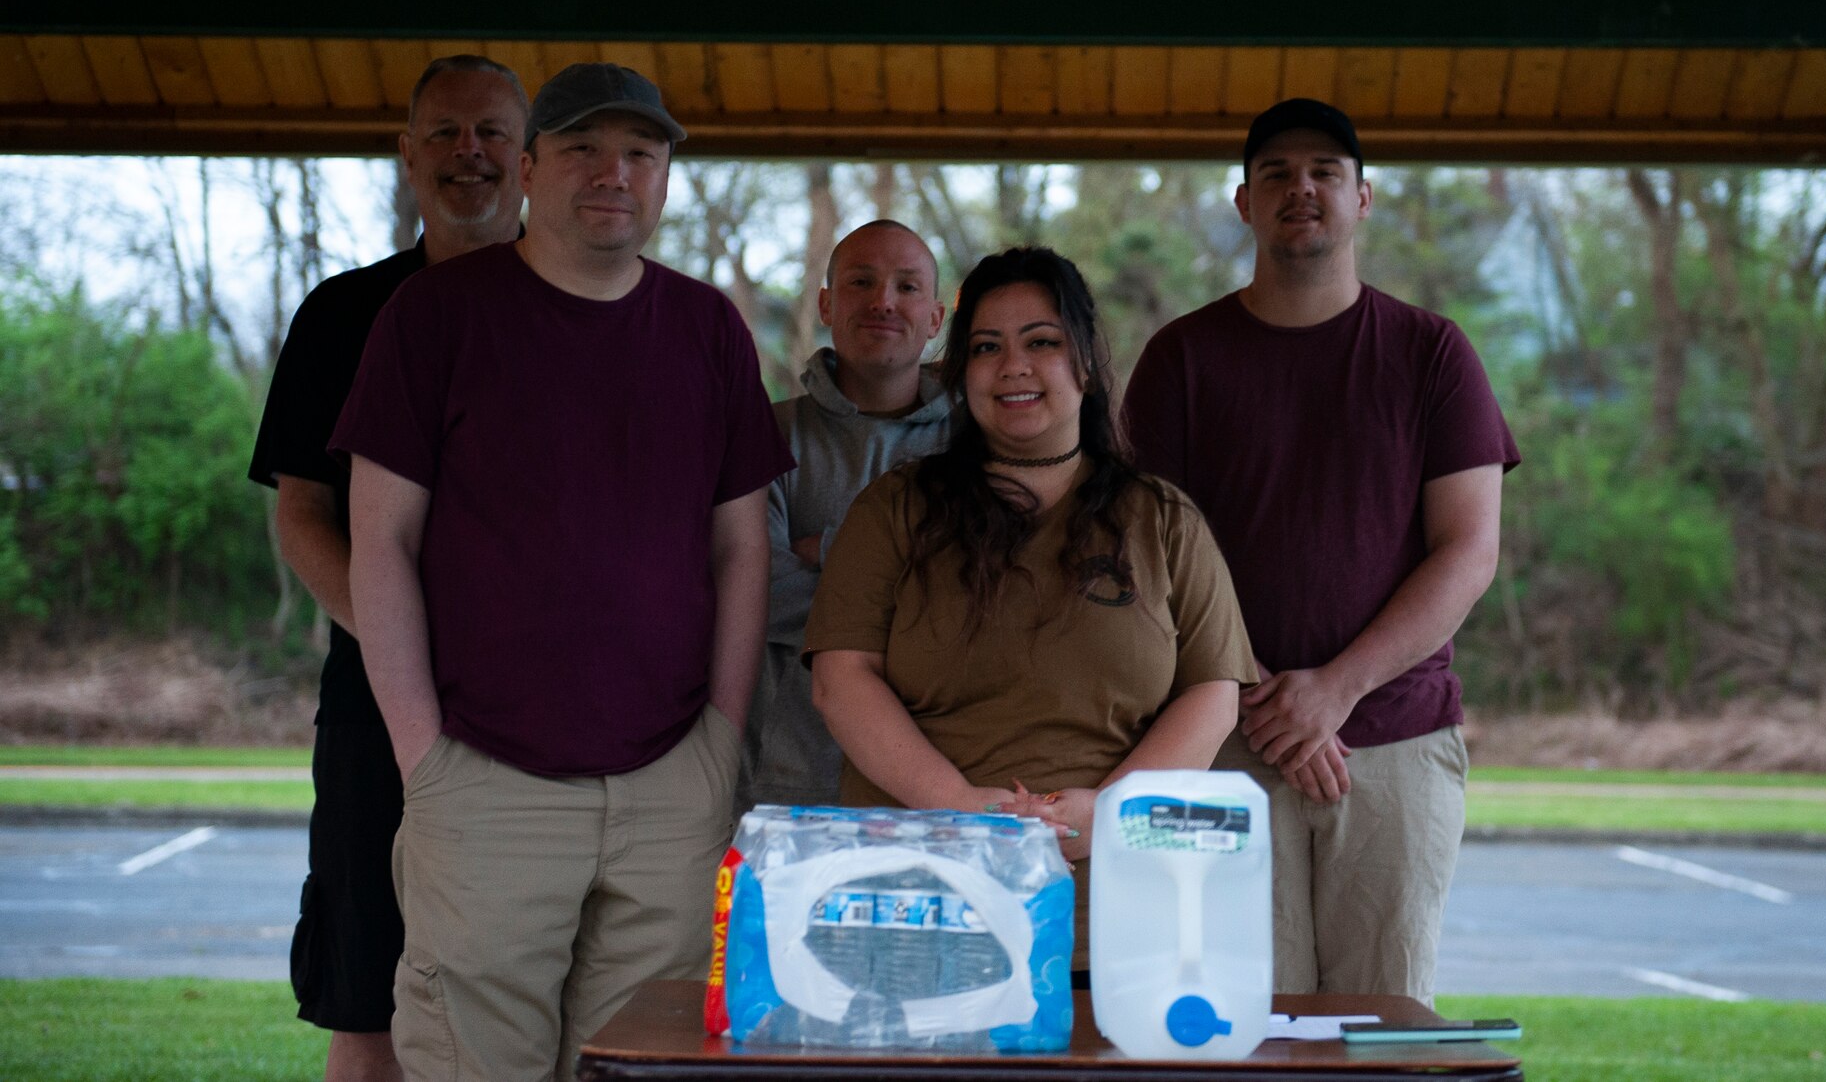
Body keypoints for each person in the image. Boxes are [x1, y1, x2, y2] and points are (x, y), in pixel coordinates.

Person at [333, 62, 793, 1082]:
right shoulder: (433, 317)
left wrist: (719, 739)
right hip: (485, 776)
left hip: (670, 781)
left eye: (639, 151)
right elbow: (380, 544)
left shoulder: (708, 328)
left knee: (644, 1061)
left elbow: (741, 546)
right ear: (530, 167)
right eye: (583, 147)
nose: (612, 172)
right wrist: (425, 757)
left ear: (666, 176)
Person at [1122, 98, 1519, 1003]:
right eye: (1277, 174)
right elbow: (1153, 560)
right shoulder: (1181, 359)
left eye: (1325, 173)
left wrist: (1335, 688)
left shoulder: (1432, 354)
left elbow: (1468, 551)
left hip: (1395, 748)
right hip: (1218, 746)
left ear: (1363, 198)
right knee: (1236, 1025)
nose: (1301, 188)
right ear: (1243, 202)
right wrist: (1268, 705)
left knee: (1385, 1027)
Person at [805, 247, 1258, 967]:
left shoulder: (1163, 517)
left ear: (1084, 363)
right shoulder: (895, 508)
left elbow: (1213, 691)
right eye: (986, 347)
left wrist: (1111, 816)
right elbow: (840, 678)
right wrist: (955, 806)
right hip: (920, 907)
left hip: (1117, 914)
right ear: (962, 374)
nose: (1013, 365)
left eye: (1041, 341)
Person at [248, 54, 528, 1082]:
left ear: (531, 157)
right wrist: (408, 653)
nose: (470, 152)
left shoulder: (588, 311)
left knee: (538, 998)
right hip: (377, 719)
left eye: (493, 131)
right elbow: (302, 513)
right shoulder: (341, 315)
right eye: (446, 132)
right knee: (368, 1006)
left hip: (549, 721)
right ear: (406, 155)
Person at [742, 219, 953, 808]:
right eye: (862, 282)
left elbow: (994, 600)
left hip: (950, 775)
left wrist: (827, 549)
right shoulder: (767, 435)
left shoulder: (977, 445)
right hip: (791, 774)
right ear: (828, 303)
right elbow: (758, 594)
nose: (884, 301)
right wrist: (921, 594)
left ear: (935, 320)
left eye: (907, 287)